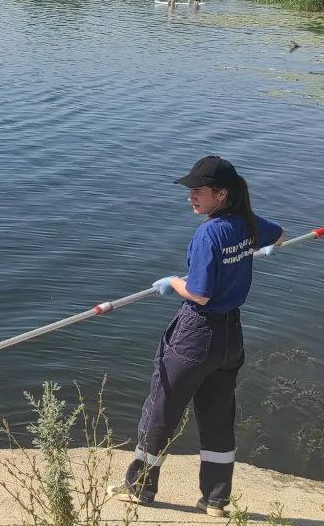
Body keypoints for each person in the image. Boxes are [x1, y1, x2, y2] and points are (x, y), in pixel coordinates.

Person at [110, 157, 283, 516]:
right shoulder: (246, 223)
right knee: (218, 416)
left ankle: (139, 489)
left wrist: (173, 282)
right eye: (190, 190)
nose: (191, 197)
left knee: (162, 410)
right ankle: (216, 500)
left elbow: (200, 293)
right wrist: (255, 247)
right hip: (230, 337)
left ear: (221, 194)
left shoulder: (209, 232)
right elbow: (278, 234)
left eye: (199, 191)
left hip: (196, 334)